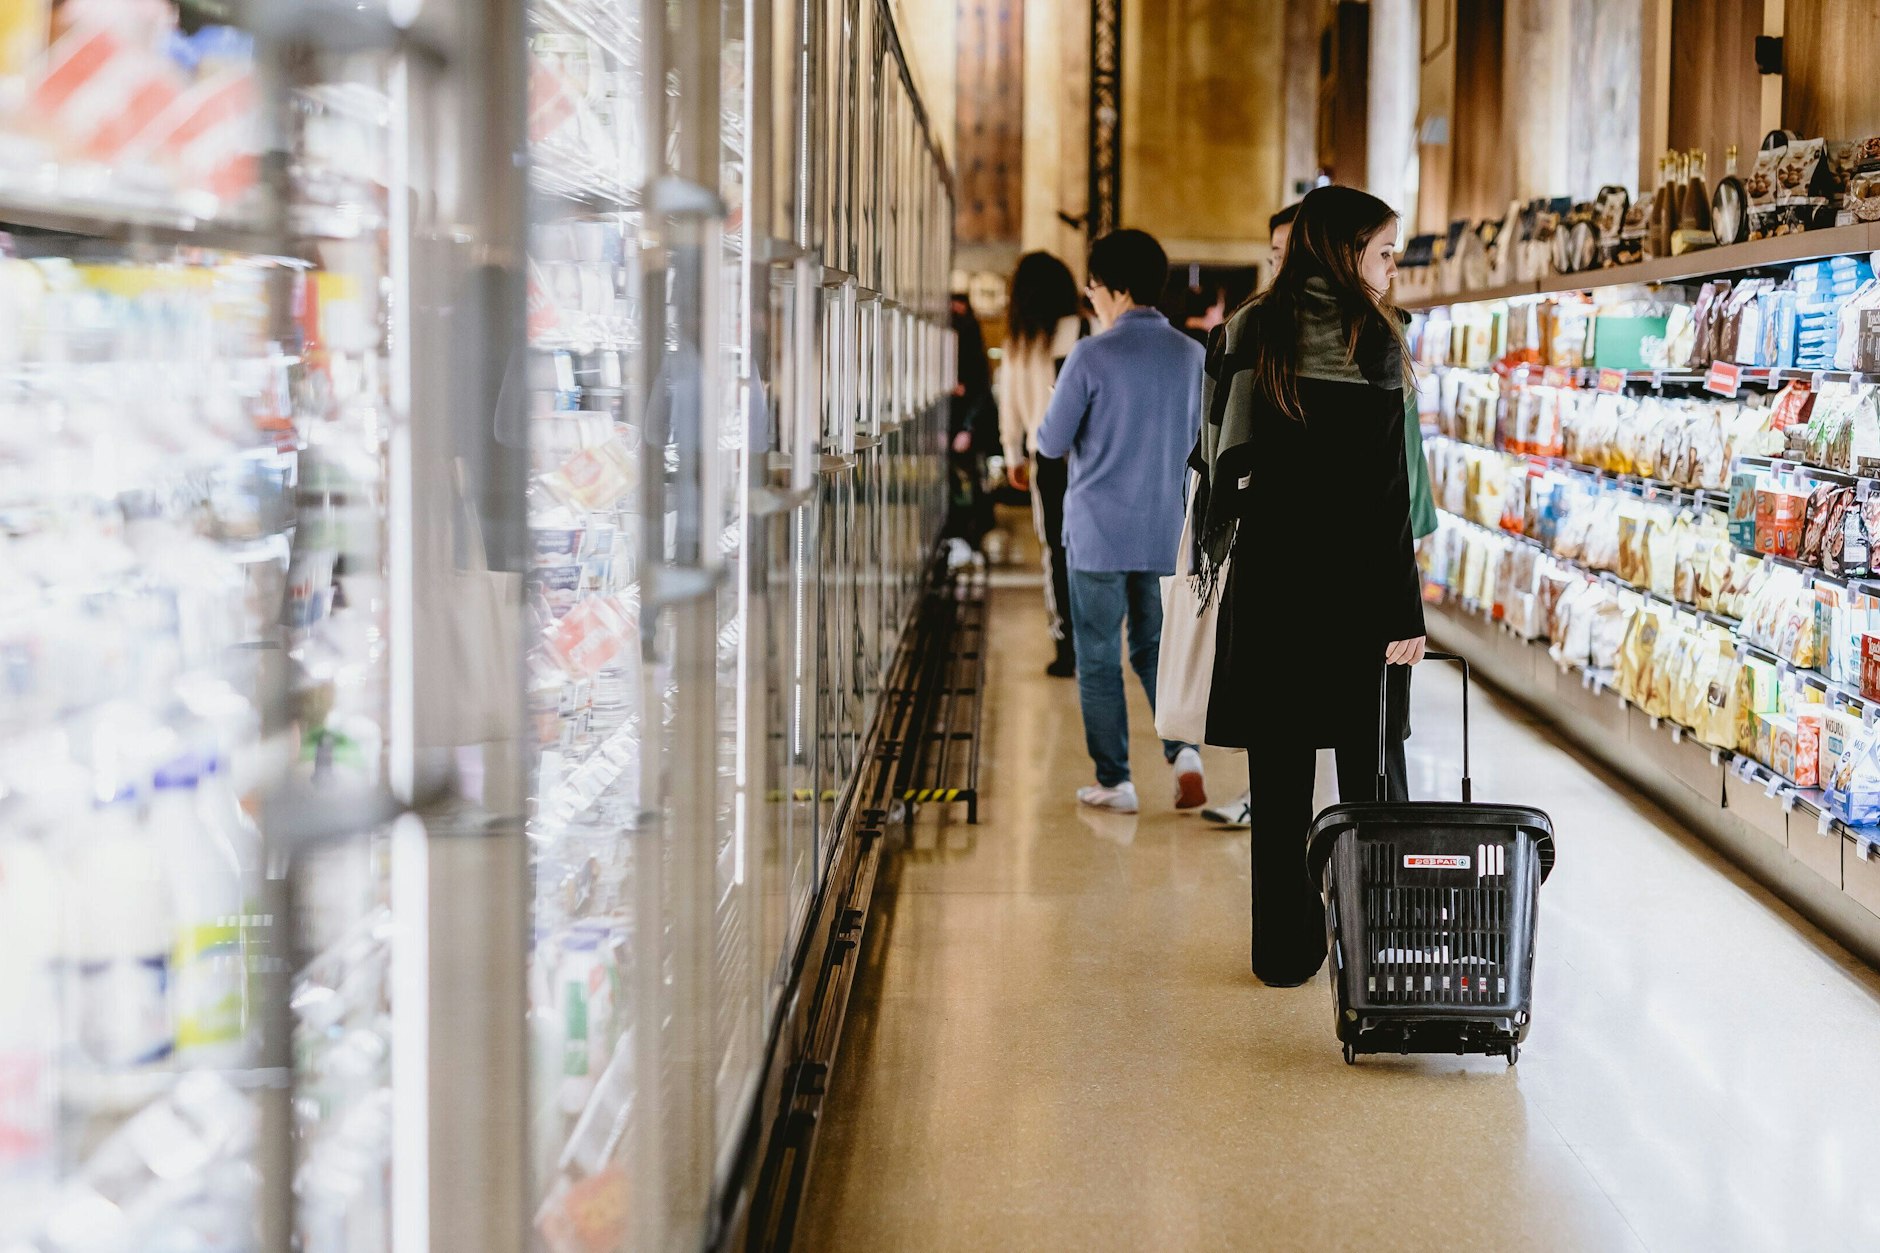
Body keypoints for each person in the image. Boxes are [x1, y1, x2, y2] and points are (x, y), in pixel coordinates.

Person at [1191, 185, 1425, 985]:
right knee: (1366, 777)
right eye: (1385, 252)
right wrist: (1405, 612)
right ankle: (1364, 945)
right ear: (1344, 249)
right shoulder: (1375, 341)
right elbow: (1388, 497)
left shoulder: (1250, 328)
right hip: (1354, 593)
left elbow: (1215, 453)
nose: (1392, 272)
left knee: (1280, 779)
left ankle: (1282, 952)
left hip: (1271, 583)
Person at [1035, 229, 1207, 815]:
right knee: (1155, 647)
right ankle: (1183, 753)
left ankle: (1116, 781)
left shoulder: (1091, 355)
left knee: (1100, 654)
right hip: (1164, 530)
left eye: (1094, 290)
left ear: (1115, 289)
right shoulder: (1192, 356)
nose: (1091, 300)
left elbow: (1052, 442)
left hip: (1097, 536)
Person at [998, 252, 1091, 677]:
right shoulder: (1086, 328)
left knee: (1056, 547)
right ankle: (1094, 637)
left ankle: (1065, 643)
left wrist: (1013, 454)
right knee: (1090, 546)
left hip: (1047, 458)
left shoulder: (1021, 340)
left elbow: (1010, 404)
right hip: (1090, 455)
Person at [943, 294, 997, 548]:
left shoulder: (967, 336)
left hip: (967, 424)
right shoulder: (964, 332)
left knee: (970, 478)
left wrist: (968, 428)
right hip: (959, 423)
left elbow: (980, 390)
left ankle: (970, 532)